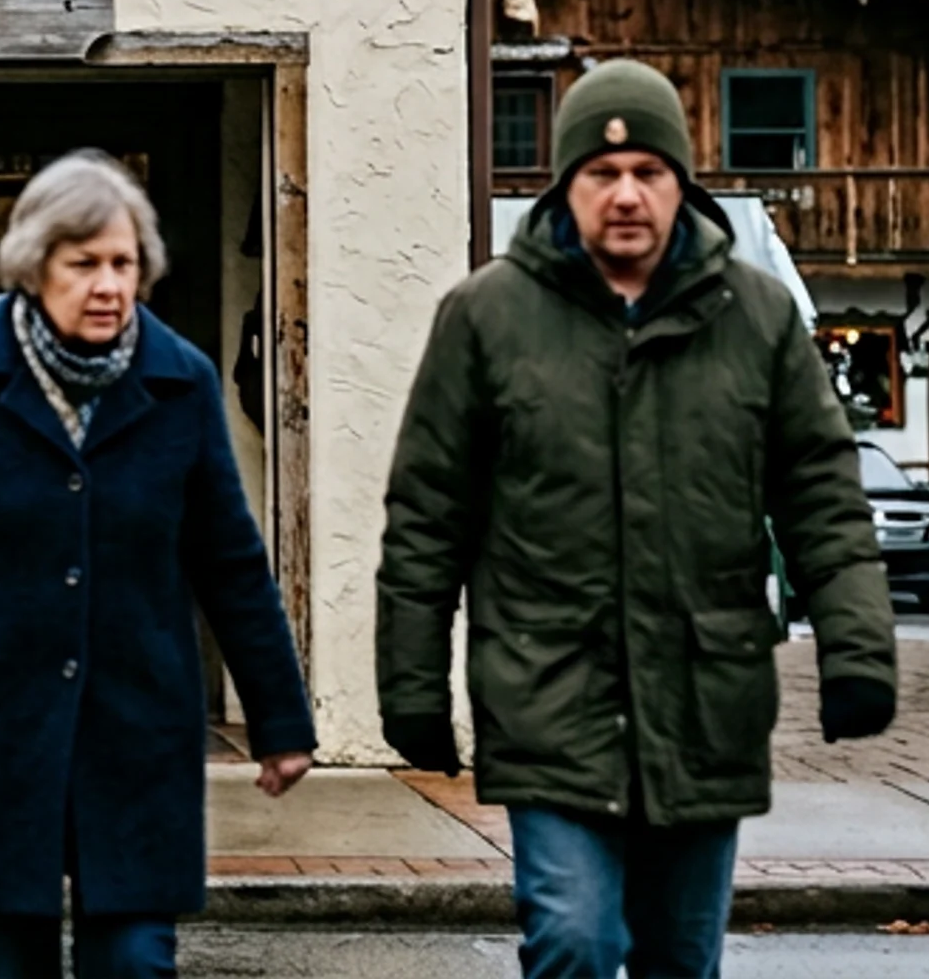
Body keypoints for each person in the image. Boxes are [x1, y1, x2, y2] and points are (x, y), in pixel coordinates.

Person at [376, 60, 895, 979]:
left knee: (679, 961)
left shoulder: (759, 317)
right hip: (546, 693)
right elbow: (427, 517)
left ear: (681, 185)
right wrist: (411, 687)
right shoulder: (486, 318)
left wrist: (857, 651)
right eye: (601, 174)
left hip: (705, 699)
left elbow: (821, 493)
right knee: (573, 939)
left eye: (648, 173)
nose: (625, 196)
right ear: (565, 185)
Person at [0, 150, 316, 979]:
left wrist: (279, 721)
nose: (107, 285)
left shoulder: (182, 384)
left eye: (123, 263)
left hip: (136, 726)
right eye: (82, 263)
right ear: (34, 265)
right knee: (6, 967)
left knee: (133, 963)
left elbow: (230, 561)